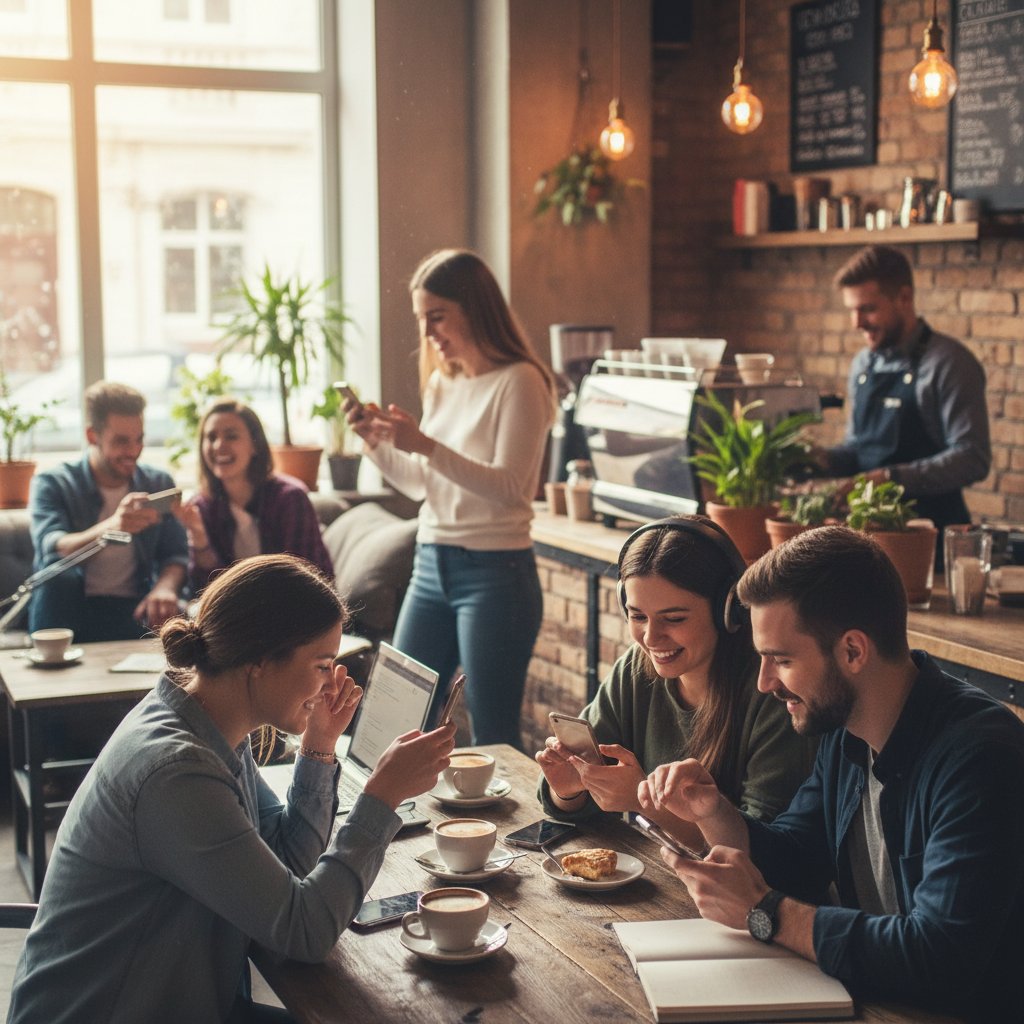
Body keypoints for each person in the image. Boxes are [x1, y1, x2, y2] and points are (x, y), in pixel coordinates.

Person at [8, 554, 456, 1024]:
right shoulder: (177, 772)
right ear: (260, 659)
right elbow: (304, 933)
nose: (330, 684)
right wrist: (381, 800)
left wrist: (319, 746)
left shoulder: (210, 725)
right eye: (322, 665)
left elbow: (287, 862)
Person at [639, 526, 1024, 1023]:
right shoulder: (846, 729)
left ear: (853, 651)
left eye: (781, 660)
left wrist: (765, 913)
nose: (764, 682)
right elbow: (799, 858)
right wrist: (715, 814)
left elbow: (940, 957)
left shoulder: (979, 757)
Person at [344, 248, 556, 748]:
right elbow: (423, 484)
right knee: (395, 715)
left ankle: (494, 828)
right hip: (430, 563)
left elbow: (511, 487)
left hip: (495, 574)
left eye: (437, 316)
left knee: (492, 732)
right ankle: (389, 824)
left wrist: (425, 446)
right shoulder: (443, 382)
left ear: (474, 308)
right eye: (422, 319)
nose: (429, 332)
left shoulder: (521, 381)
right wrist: (375, 443)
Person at [536, 516, 816, 851]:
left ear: (729, 611)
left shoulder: (772, 692)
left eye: (674, 619)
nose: (651, 638)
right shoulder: (636, 668)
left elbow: (763, 850)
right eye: (638, 616)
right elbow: (579, 803)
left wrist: (642, 802)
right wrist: (569, 791)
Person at [820, 245, 990, 549]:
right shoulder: (863, 364)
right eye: (851, 310)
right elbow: (860, 448)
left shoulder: (948, 363)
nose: (856, 323)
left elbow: (972, 458)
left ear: (905, 298)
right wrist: (823, 459)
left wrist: (890, 478)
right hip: (868, 540)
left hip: (929, 542)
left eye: (868, 309)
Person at [28, 380, 188, 641]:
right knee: (59, 577)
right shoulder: (53, 483)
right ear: (93, 436)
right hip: (70, 605)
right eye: (122, 441)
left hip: (134, 607)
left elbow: (176, 554)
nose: (134, 451)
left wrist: (165, 587)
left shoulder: (157, 483)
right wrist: (113, 526)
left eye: (139, 439)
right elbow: (54, 548)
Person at [177, 397, 334, 593]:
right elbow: (202, 592)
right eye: (211, 437)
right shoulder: (202, 506)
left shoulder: (290, 498)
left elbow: (303, 582)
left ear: (255, 445)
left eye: (231, 436)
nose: (218, 446)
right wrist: (199, 539)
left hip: (297, 610)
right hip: (232, 616)